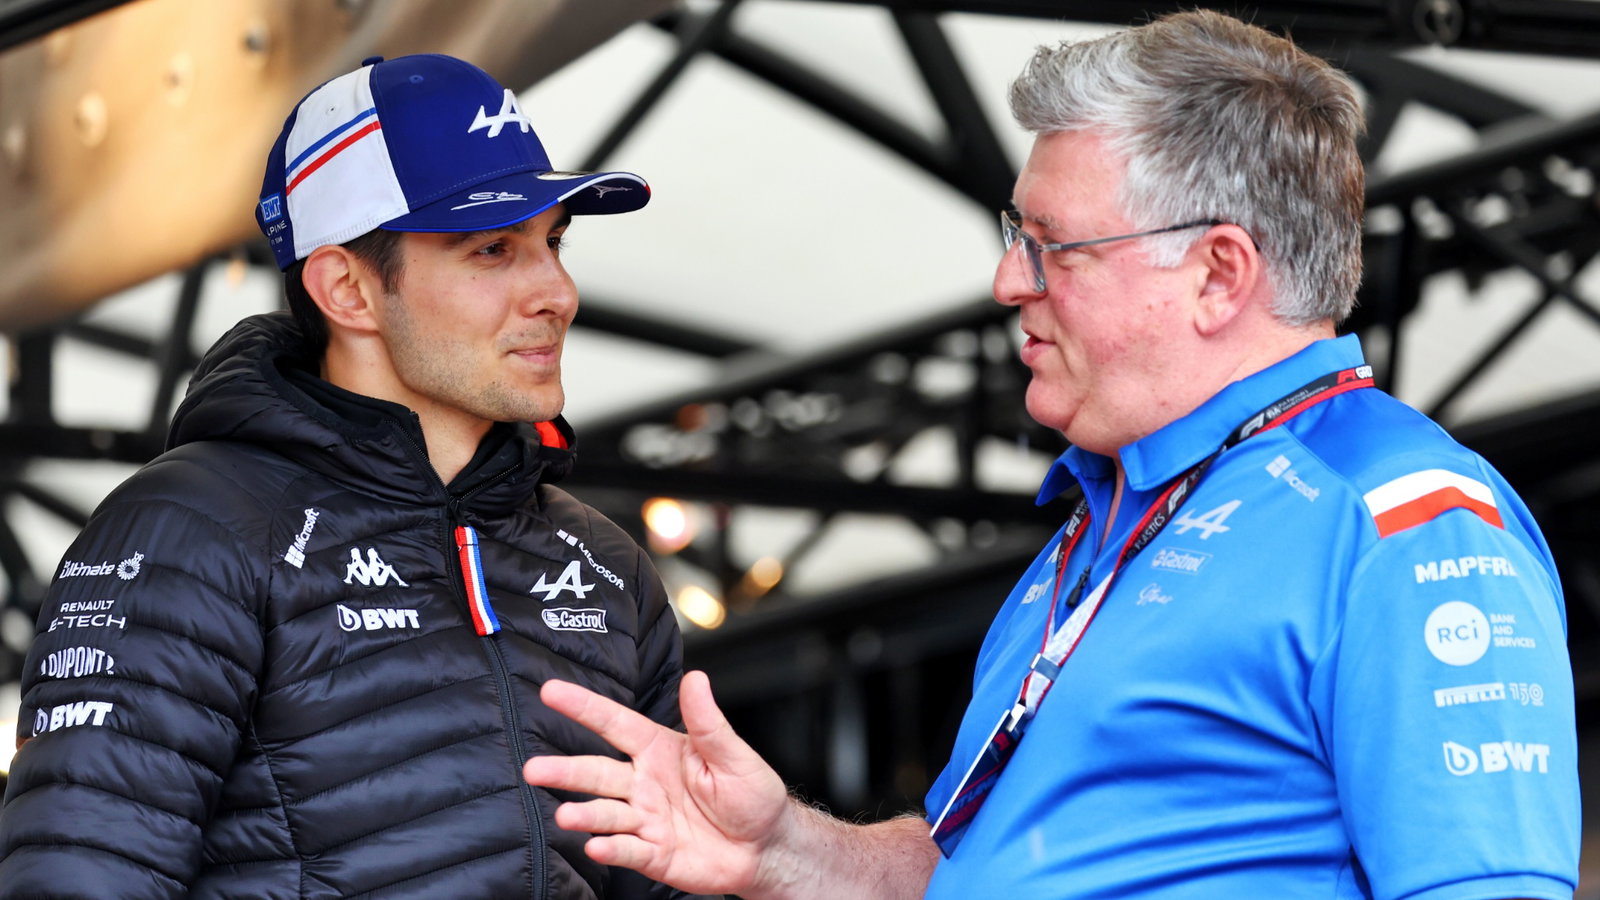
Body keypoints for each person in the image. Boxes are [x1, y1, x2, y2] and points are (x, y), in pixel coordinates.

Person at [520, 11, 1581, 900]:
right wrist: (778, 849)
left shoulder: (1392, 514)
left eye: (1051, 243)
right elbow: (972, 869)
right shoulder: (1097, 529)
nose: (1006, 282)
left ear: (1217, 274)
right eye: (1012, 233)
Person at [0, 54, 716, 900]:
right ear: (346, 289)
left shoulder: (604, 563)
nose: (556, 291)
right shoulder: (192, 528)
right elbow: (78, 877)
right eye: (494, 248)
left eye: (552, 242)